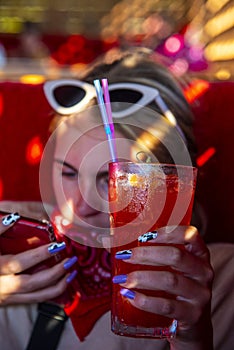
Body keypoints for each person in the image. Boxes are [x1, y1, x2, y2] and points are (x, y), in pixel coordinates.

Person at [0, 48, 233, 350]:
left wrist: (193, 341)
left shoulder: (220, 280)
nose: (78, 208)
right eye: (68, 173)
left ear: (172, 181)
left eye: (112, 182)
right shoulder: (11, 236)